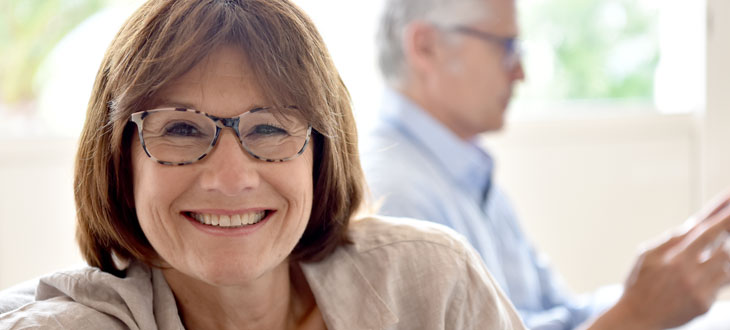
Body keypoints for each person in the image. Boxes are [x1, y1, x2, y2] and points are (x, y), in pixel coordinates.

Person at [0, 1, 528, 329]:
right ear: (120, 164)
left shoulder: (434, 283)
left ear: (323, 154)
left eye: (270, 128)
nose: (231, 178)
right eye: (181, 130)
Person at [362, 0, 730, 329]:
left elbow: (559, 314)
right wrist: (635, 316)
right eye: (504, 47)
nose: (520, 72)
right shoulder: (392, 196)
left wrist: (668, 285)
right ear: (426, 46)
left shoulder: (464, 171)